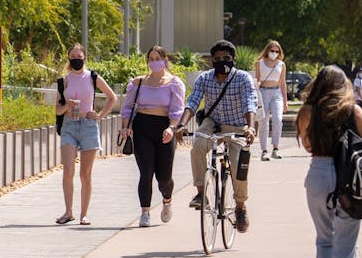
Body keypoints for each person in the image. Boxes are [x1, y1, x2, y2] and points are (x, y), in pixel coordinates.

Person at [296, 65, 362, 258]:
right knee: (345, 243)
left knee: (324, 238)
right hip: (348, 177)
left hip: (318, 172)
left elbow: (307, 145)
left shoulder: (308, 111)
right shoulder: (354, 111)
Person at [174, 40, 257, 232]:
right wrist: (181, 125)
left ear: (234, 60)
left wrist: (250, 128)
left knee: (237, 164)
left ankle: (241, 206)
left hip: (236, 125)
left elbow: (249, 103)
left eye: (226, 58)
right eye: (217, 58)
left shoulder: (243, 78)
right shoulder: (204, 78)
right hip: (213, 122)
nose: (222, 61)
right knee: (198, 145)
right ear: (211, 60)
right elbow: (193, 101)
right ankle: (201, 192)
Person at [120, 46, 185, 227]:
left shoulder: (174, 83)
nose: (154, 61)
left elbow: (178, 109)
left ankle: (167, 200)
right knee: (146, 171)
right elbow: (127, 107)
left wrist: (172, 128)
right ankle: (145, 212)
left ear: (165, 60)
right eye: (151, 58)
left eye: (157, 58)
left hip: (164, 128)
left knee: (164, 177)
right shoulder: (138, 82)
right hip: (142, 127)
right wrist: (126, 127)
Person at [55, 43, 117, 225]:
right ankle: (68, 212)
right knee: (68, 169)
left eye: (78, 56)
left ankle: (84, 214)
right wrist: (67, 105)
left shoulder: (93, 77)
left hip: (88, 125)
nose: (75, 59)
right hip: (69, 126)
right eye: (72, 56)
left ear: (84, 58)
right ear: (68, 59)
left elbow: (112, 97)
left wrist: (99, 115)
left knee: (85, 173)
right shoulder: (63, 81)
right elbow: (57, 110)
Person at [254, 40, 289, 160]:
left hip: (276, 93)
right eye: (272, 50)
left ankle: (275, 148)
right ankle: (264, 151)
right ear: (267, 50)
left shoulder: (281, 64)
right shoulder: (259, 63)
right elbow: (257, 78)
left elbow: (283, 83)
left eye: (276, 51)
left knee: (278, 119)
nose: (274, 53)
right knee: (263, 122)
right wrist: (256, 84)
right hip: (263, 92)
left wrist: (285, 101)